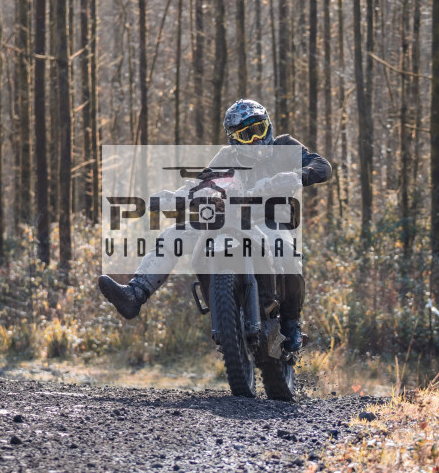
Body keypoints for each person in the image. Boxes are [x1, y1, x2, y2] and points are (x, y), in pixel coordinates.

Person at [97, 99, 332, 353]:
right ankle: (135, 295)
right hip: (231, 220)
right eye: (246, 134)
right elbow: (201, 183)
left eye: (259, 130)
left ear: (269, 127)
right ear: (234, 139)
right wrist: (172, 196)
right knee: (172, 234)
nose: (255, 140)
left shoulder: (284, 146)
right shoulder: (227, 157)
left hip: (272, 220)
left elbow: (321, 165)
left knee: (287, 251)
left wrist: (297, 175)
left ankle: (291, 322)